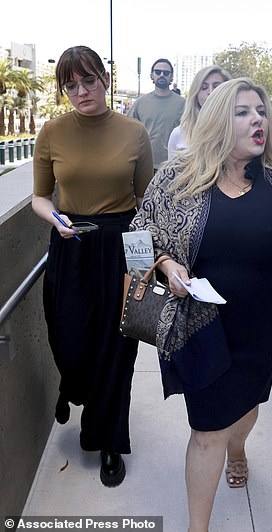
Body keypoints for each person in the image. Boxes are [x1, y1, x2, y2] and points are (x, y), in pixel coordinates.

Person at [130, 78, 272, 531]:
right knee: (207, 430)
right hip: (201, 323)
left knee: (247, 408)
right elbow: (137, 237)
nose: (258, 121)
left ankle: (239, 445)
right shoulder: (177, 177)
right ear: (217, 120)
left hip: (261, 324)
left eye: (262, 112)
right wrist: (168, 266)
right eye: (243, 112)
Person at [31, 45, 154, 487]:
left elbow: (147, 204)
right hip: (70, 244)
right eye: (70, 85)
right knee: (68, 338)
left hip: (120, 247)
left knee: (117, 348)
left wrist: (145, 269)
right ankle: (72, 385)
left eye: (88, 80)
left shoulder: (134, 132)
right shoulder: (51, 132)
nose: (81, 92)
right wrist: (55, 219)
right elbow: (40, 198)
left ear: (105, 78)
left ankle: (108, 442)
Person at [127, 58, 185, 170]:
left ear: (171, 77)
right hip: (145, 165)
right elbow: (128, 132)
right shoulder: (140, 103)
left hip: (174, 166)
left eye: (166, 73)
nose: (162, 75)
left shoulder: (183, 104)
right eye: (158, 72)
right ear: (152, 75)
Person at [167, 65, 230, 159]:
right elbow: (171, 172)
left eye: (217, 87)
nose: (210, 92)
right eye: (204, 87)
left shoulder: (240, 130)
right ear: (195, 94)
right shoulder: (179, 133)